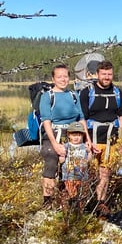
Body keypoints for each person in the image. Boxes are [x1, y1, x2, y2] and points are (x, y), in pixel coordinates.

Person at [79, 60, 122, 215]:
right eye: (104, 74)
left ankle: (100, 203)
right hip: (92, 139)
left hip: (110, 139)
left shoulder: (118, 93)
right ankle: (81, 202)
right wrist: (86, 140)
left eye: (109, 74)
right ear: (97, 74)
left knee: (105, 173)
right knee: (84, 171)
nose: (107, 77)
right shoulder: (87, 92)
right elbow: (82, 119)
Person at [39, 63, 89, 208]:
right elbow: (47, 121)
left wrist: (87, 140)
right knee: (51, 165)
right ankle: (47, 204)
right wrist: (55, 144)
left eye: (65, 76)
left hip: (73, 135)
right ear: (53, 79)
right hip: (54, 134)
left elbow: (81, 118)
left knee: (72, 169)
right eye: (59, 77)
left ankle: (68, 202)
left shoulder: (74, 95)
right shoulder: (47, 97)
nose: (63, 79)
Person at [59, 123, 91, 211]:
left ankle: (80, 212)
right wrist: (62, 155)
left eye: (79, 135)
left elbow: (88, 160)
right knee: (71, 194)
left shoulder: (84, 146)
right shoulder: (66, 146)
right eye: (74, 135)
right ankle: (70, 211)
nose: (76, 137)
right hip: (69, 176)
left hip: (82, 176)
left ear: (83, 135)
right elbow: (61, 161)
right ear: (69, 135)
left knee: (82, 196)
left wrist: (90, 152)